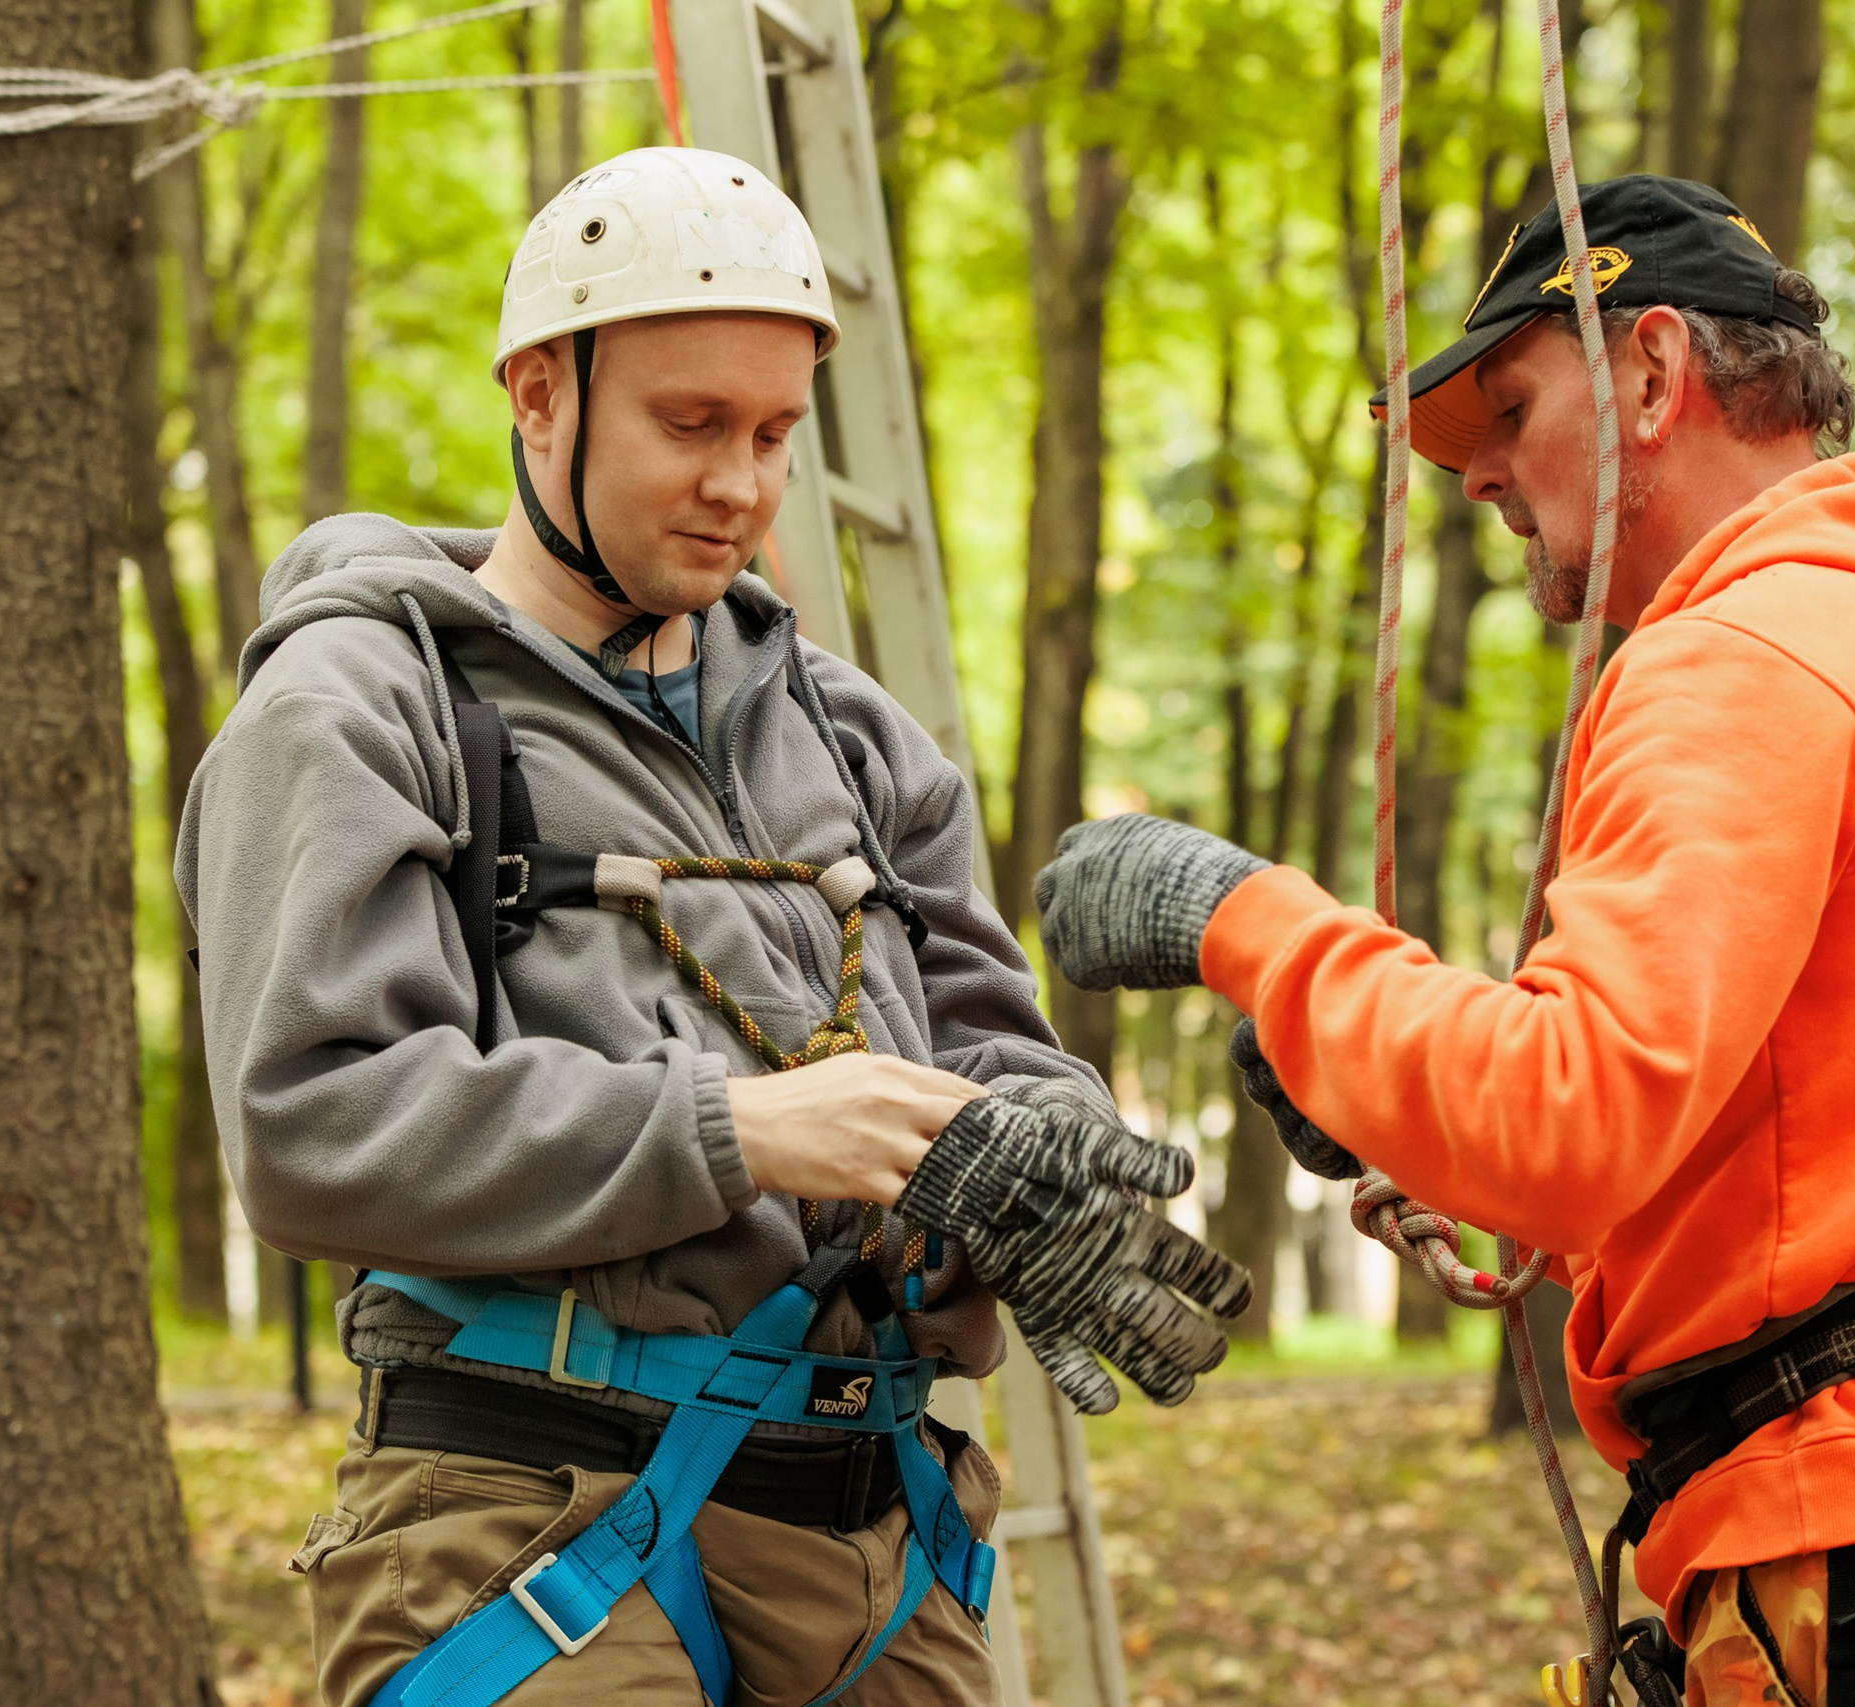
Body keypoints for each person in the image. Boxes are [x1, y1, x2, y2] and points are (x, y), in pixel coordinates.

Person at [1032, 175, 1855, 1707]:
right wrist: (1395, 1100)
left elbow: (1569, 1116)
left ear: (1649, 371)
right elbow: (1781, 1153)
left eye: (1509, 408)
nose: (1480, 479)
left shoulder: (1742, 655)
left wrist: (1244, 919)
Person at [178, 146, 1249, 1707]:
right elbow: (310, 1125)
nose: (742, 484)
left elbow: (994, 1045)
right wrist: (751, 1129)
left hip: (877, 1528)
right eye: (690, 425)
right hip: (527, 1521)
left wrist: (1032, 1165)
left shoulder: (851, 734)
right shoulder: (359, 703)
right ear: (542, 392)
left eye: (773, 433)